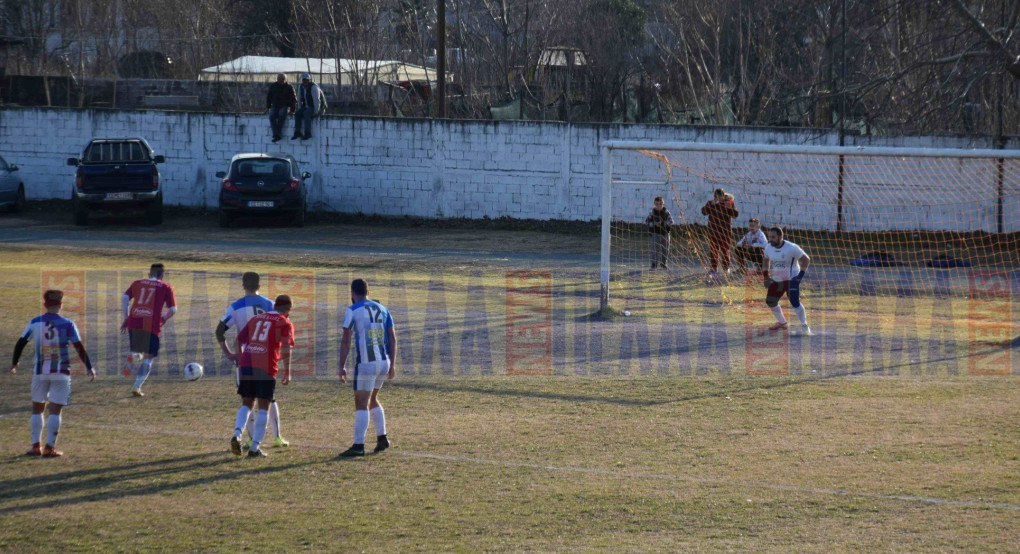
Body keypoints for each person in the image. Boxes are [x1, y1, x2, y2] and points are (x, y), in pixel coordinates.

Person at [11, 290, 96, 457]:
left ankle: (36, 446)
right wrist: (89, 366)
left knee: (37, 408)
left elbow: (20, 343)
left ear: (45, 304)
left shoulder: (35, 322)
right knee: (55, 410)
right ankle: (50, 448)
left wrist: (15, 362)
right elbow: (78, 346)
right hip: (61, 371)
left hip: (39, 371)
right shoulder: (68, 323)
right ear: (61, 304)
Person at [216, 272, 289, 449]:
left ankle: (247, 438)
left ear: (243, 286)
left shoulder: (235, 307)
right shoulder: (270, 304)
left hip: (245, 356)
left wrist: (230, 354)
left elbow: (219, 331)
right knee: (269, 400)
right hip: (266, 357)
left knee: (247, 401)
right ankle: (276, 437)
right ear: (259, 286)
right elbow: (282, 328)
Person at [228, 295, 294, 458]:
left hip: (247, 363)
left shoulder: (257, 319)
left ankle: (237, 434)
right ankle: (254, 448)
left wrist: (240, 360)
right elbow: (286, 347)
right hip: (265, 366)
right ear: (288, 310)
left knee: (247, 403)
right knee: (264, 406)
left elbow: (238, 341)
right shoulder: (284, 322)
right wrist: (287, 371)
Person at [338, 279, 396, 458]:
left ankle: (358, 445)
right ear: (368, 291)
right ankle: (382, 438)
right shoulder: (383, 308)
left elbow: (346, 340)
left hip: (367, 363)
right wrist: (392, 364)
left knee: (361, 403)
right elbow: (392, 338)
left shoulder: (352, 309)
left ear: (353, 293)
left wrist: (341, 366)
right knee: (373, 399)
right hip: (383, 362)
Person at [122, 263, 176, 396]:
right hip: (151, 325)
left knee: (137, 349)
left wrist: (126, 318)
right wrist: (164, 319)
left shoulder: (137, 283)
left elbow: (125, 298)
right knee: (148, 358)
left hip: (134, 321)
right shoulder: (165, 286)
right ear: (162, 276)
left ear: (149, 274)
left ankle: (134, 355)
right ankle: (136, 387)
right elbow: (173, 309)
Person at [762, 226, 813, 336]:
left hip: (791, 279)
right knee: (770, 301)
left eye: (773, 237)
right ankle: (782, 323)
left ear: (781, 237)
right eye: (769, 237)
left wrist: (799, 277)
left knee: (795, 302)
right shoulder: (768, 247)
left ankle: (804, 325)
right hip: (777, 279)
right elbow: (765, 261)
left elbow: (806, 260)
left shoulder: (792, 248)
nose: (771, 239)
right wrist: (766, 277)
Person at [701, 188, 739, 277]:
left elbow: (736, 214)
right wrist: (710, 206)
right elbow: (703, 212)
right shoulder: (711, 203)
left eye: (719, 197)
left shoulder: (729, 203)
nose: (717, 199)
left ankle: (726, 268)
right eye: (715, 197)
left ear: (723, 196)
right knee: (713, 250)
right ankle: (714, 269)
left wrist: (731, 208)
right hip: (713, 231)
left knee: (725, 250)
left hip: (725, 232)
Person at [292, 73, 327, 141]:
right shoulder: (301, 87)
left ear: (309, 80)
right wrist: (300, 109)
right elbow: (299, 99)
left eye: (307, 80)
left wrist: (316, 112)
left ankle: (308, 133)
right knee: (297, 114)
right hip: (307, 106)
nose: (305, 81)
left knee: (306, 114)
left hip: (318, 107)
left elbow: (317, 100)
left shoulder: (314, 87)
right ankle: (297, 132)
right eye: (304, 80)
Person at [266, 73, 297, 143]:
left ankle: (277, 134)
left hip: (284, 105)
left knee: (282, 115)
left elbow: (293, 99)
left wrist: (292, 110)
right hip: (275, 105)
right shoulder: (273, 86)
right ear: (277, 79)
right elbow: (269, 97)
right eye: (279, 79)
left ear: (285, 79)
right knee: (271, 116)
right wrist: (268, 107)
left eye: (282, 79)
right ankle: (276, 134)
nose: (280, 80)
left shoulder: (289, 87)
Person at [645, 196, 674, 269]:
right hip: (655, 234)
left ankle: (663, 263)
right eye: (656, 204)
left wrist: (663, 224)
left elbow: (671, 222)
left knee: (665, 250)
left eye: (660, 204)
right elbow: (647, 221)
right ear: (654, 205)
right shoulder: (652, 212)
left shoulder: (666, 212)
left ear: (663, 204)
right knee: (654, 250)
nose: (658, 206)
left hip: (665, 234)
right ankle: (654, 264)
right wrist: (654, 223)